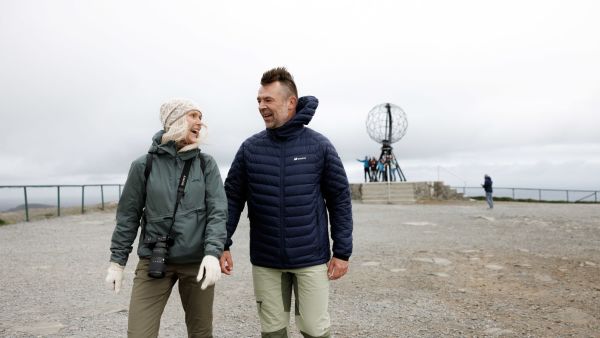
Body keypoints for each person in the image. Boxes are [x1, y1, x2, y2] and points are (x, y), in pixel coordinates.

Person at [220, 67, 353, 338]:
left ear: (291, 102)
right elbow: (232, 199)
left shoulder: (319, 146)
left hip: (311, 260)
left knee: (315, 330)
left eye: (268, 99)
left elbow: (339, 198)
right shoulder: (250, 149)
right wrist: (221, 243)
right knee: (272, 332)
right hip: (267, 261)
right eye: (259, 100)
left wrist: (342, 252)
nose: (261, 106)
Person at [105, 98, 228, 338]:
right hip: (154, 258)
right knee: (139, 333)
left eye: (200, 117)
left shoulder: (206, 164)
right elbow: (128, 216)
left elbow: (217, 212)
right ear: (175, 121)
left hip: (196, 262)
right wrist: (117, 262)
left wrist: (213, 253)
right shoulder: (144, 165)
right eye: (193, 116)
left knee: (201, 333)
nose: (199, 123)